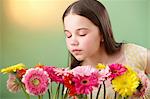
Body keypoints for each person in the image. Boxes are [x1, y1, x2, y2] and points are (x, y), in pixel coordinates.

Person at [62, 0, 150, 98]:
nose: (73, 42)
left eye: (82, 33)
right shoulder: (73, 79)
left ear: (102, 33)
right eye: (68, 35)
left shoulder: (132, 54)